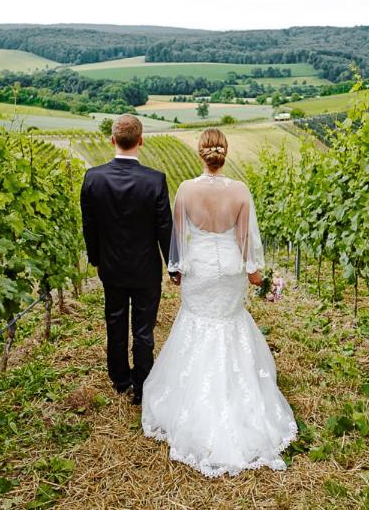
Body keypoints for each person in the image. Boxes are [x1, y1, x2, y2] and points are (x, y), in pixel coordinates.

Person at [141, 128, 297, 478]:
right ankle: (239, 401)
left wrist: (176, 271)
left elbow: (178, 237)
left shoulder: (185, 190)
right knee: (230, 322)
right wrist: (259, 279)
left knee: (196, 323)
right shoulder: (240, 191)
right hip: (228, 269)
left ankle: (192, 403)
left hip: (199, 270)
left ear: (201, 153)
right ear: (224, 154)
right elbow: (245, 242)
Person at [80, 114, 174, 405]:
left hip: (111, 266)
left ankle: (120, 380)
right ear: (141, 140)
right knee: (144, 328)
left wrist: (96, 259)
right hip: (146, 268)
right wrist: (173, 265)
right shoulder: (155, 180)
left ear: (112, 140)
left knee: (115, 322)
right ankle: (143, 382)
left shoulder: (93, 178)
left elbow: (89, 226)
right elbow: (164, 228)